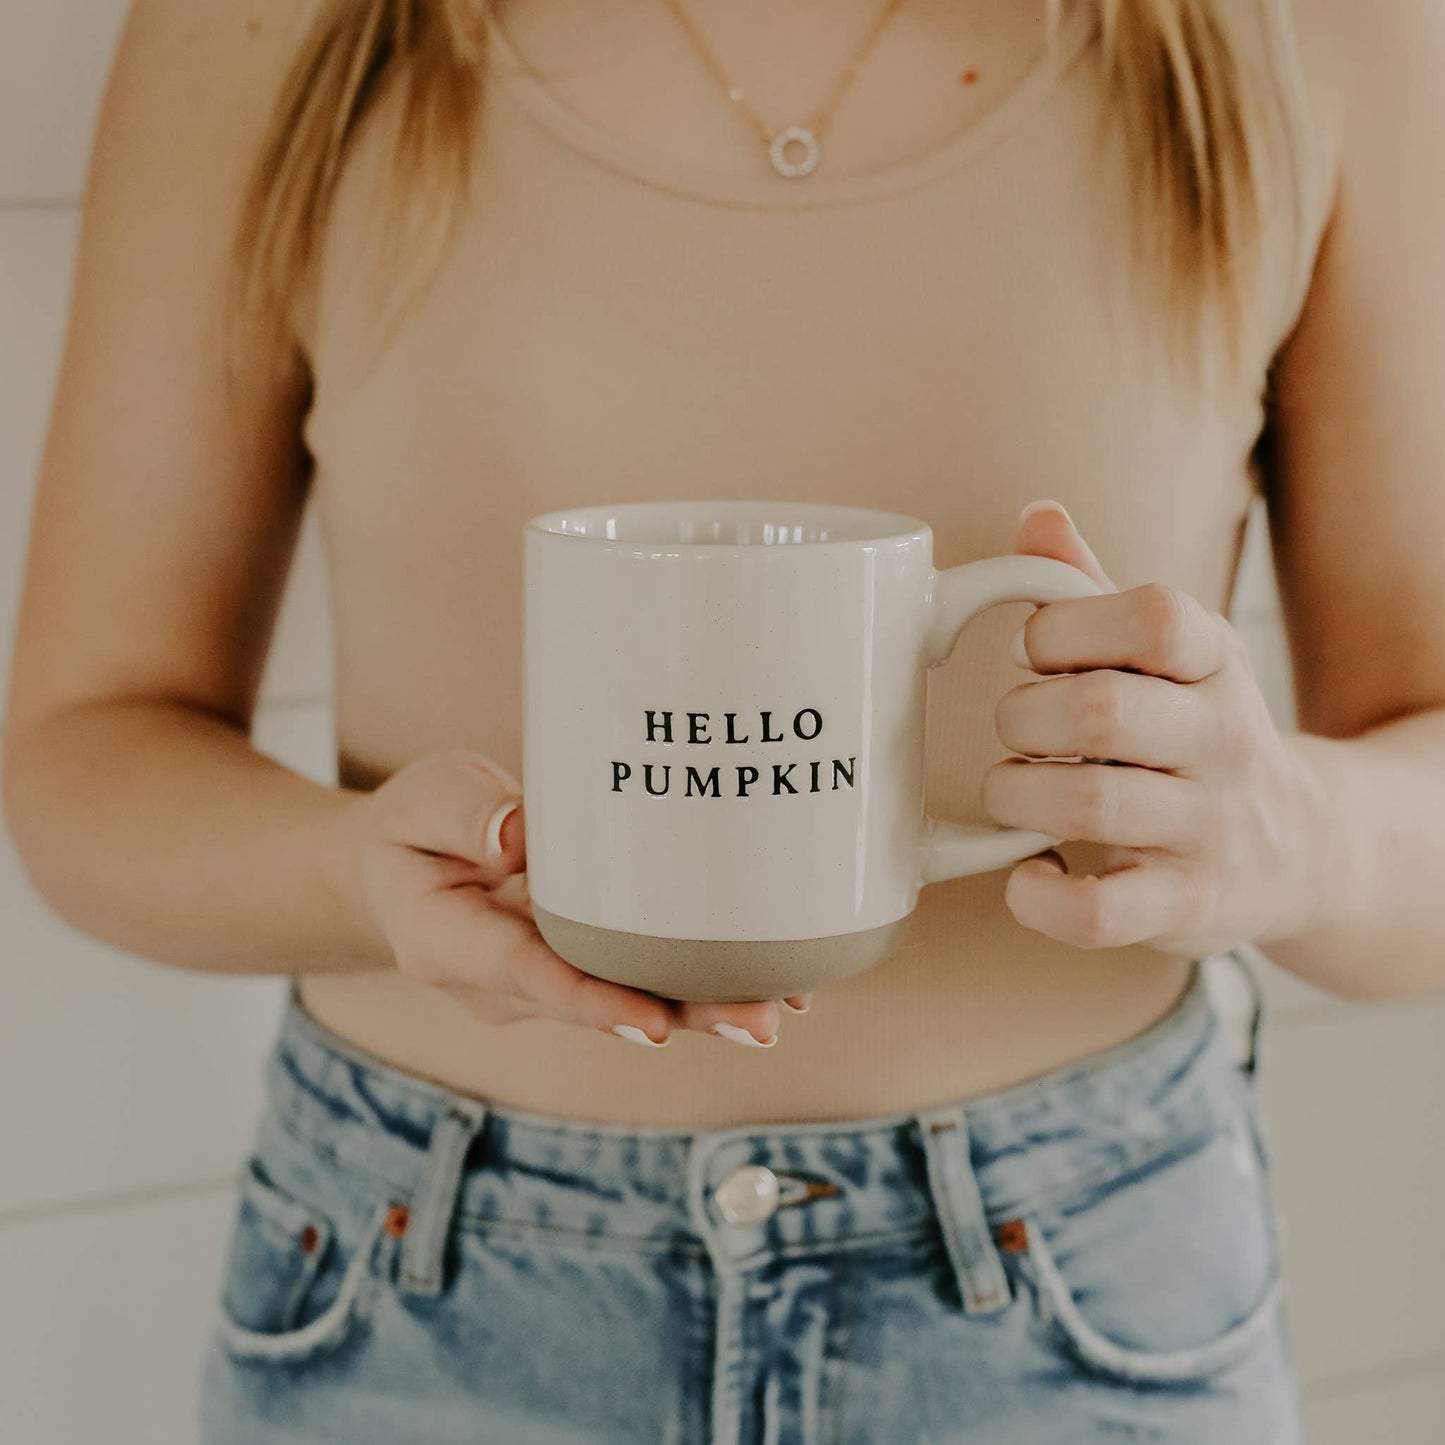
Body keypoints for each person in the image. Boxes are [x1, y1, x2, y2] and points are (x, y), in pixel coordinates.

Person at [4, 0, 1444, 1438]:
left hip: (1078, 1304)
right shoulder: (256, 30)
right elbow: (88, 745)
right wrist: (363, 876)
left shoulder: (1314, 34)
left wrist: (1293, 832)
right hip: (416, 1296)